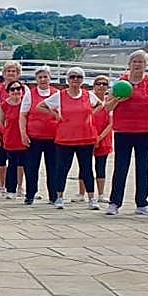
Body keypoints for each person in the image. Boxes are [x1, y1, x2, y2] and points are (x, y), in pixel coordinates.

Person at [105, 49, 148, 216]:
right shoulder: (119, 83)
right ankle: (114, 202)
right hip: (123, 131)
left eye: (141, 62)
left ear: (146, 65)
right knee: (120, 167)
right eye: (135, 61)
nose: (137, 65)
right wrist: (117, 100)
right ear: (129, 64)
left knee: (143, 167)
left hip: (145, 131)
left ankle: (142, 203)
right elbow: (107, 108)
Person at [51, 68, 99, 210]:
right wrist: (55, 115)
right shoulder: (59, 96)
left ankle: (91, 198)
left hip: (85, 137)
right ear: (68, 79)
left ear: (82, 80)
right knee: (62, 168)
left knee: (87, 168)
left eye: (78, 77)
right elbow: (42, 106)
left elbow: (100, 105)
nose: (75, 79)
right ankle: (59, 197)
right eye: (72, 77)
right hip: (65, 138)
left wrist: (90, 115)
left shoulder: (88, 95)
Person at [21, 66, 60, 206]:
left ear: (50, 78)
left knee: (53, 168)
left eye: (45, 77)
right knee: (31, 168)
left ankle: (54, 195)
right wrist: (23, 133)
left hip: (53, 137)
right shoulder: (30, 94)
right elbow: (23, 115)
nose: (43, 79)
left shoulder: (57, 93)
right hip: (34, 137)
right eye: (40, 77)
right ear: (36, 79)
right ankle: (30, 194)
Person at [82, 76, 113, 203]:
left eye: (104, 84)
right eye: (98, 83)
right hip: (88, 136)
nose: (101, 86)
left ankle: (100, 194)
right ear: (93, 86)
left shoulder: (109, 101)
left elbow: (111, 123)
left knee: (101, 166)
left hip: (104, 138)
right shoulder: (88, 100)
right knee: (85, 165)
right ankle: (81, 193)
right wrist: (92, 136)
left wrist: (100, 137)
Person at [0, 81, 28, 199]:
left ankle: (21, 187)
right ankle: (11, 189)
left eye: (18, 89)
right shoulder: (4, 105)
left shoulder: (26, 102)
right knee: (12, 164)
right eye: (12, 89)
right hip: (10, 137)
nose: (16, 91)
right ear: (8, 92)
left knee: (24, 164)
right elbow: (0, 121)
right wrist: (5, 133)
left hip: (24, 137)